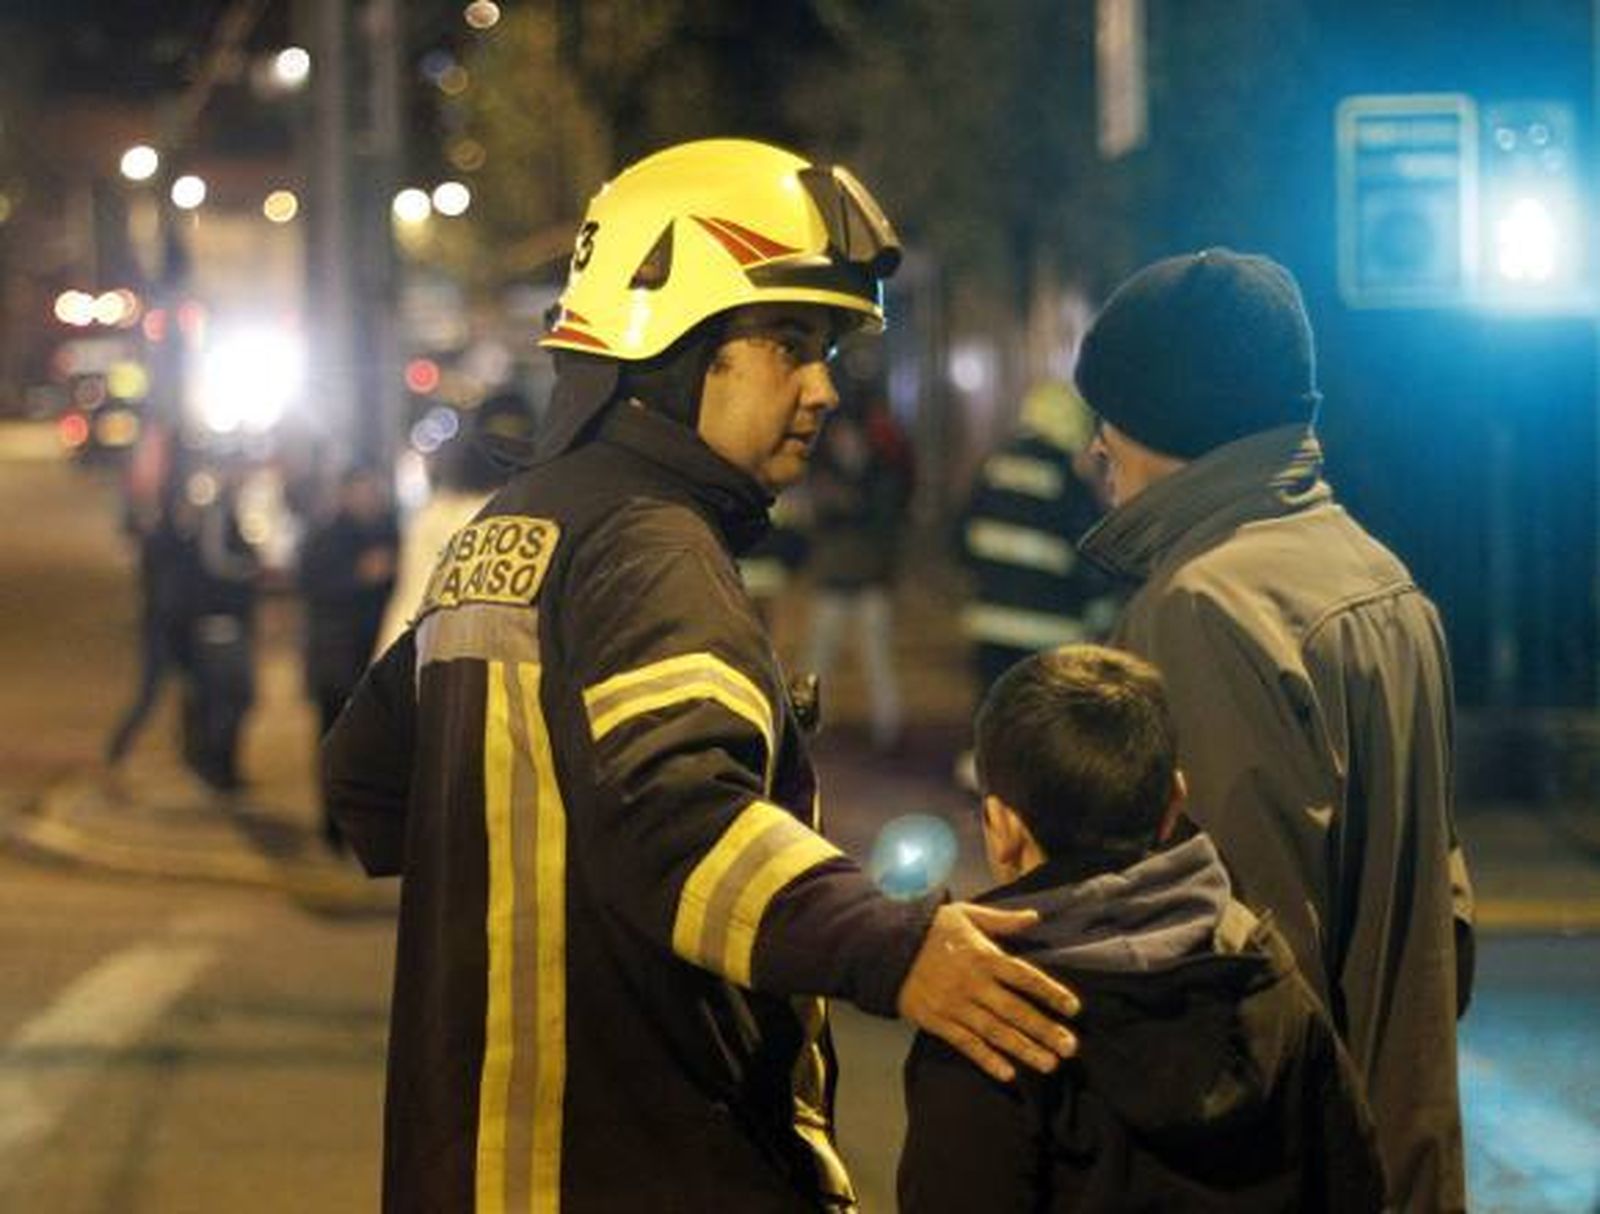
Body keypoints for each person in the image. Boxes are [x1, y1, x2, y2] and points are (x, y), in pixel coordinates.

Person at [323, 138, 1078, 1213]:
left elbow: (364, 780)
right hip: (633, 1170)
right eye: (789, 344)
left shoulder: (512, 528)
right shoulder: (651, 546)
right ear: (671, 340)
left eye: (829, 350)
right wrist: (897, 947)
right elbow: (679, 824)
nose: (823, 388)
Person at [1073, 248, 1475, 1211]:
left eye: (1110, 414)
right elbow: (1444, 919)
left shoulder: (1203, 607)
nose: (1095, 446)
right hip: (1399, 1148)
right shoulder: (1374, 575)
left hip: (1285, 1177)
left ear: (1168, 419)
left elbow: (1235, 977)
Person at [898, 644, 1386, 1212]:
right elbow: (1356, 1184)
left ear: (1002, 825)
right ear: (1174, 801)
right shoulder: (1261, 970)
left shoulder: (985, 1020)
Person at [802, 395, 912, 752]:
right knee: (817, 660)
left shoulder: (880, 473)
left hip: (870, 581)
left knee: (877, 660)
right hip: (834, 579)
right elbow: (818, 517)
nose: (844, 443)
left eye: (849, 436)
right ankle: (805, 726)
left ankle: (888, 728)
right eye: (838, 437)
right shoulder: (825, 474)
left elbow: (883, 518)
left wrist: (847, 503)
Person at [299, 466, 399, 849]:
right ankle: (332, 827)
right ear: (345, 494)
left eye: (372, 491)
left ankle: (367, 826)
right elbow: (311, 586)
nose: (367, 499)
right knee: (335, 744)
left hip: (375, 660)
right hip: (336, 659)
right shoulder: (326, 536)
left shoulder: (389, 532)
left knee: (373, 749)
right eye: (360, 491)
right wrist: (359, 576)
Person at [104, 486, 199, 770]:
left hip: (172, 626)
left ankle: (189, 751)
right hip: (164, 627)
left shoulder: (173, 541)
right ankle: (120, 745)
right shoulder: (168, 543)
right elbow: (164, 590)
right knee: (152, 693)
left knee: (188, 693)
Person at [182, 467, 261, 793]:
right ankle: (216, 768)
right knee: (229, 699)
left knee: (233, 700)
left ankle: (221, 767)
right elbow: (216, 562)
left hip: (227, 623)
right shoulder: (217, 515)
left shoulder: (228, 514)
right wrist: (251, 568)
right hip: (218, 625)